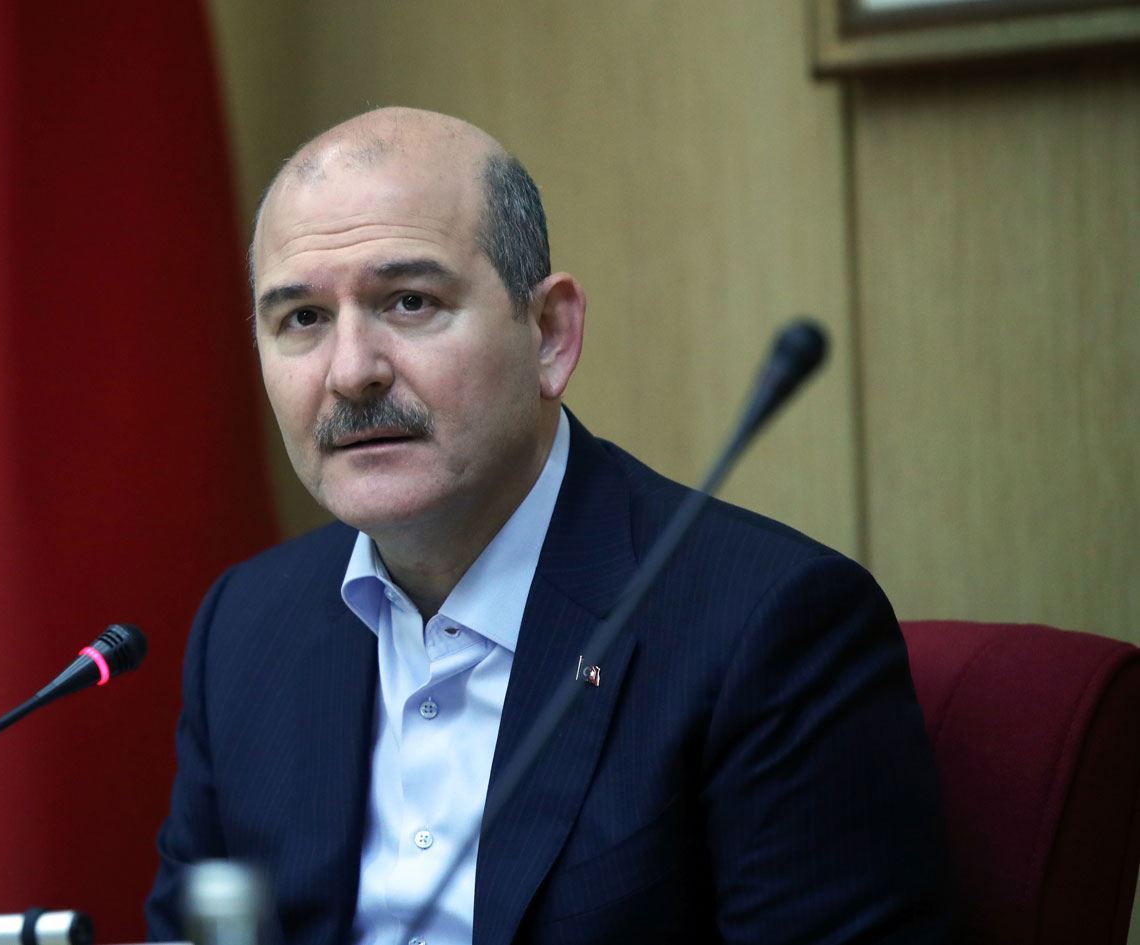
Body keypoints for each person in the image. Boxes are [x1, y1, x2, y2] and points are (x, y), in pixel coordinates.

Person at [145, 107, 952, 945]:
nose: (351, 372)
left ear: (551, 335)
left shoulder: (767, 627)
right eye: (303, 319)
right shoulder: (246, 627)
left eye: (410, 301)